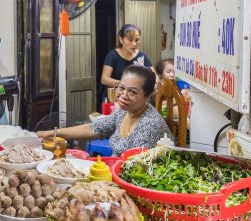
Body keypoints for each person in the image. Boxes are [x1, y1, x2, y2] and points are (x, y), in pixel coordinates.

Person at [38, 66, 172, 156]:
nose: (123, 94)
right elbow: (94, 128)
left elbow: (132, 167)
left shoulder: (150, 125)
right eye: (121, 88)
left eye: (132, 92)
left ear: (147, 96)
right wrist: (50, 134)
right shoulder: (124, 112)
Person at [101, 24, 153, 93]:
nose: (134, 44)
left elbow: (154, 76)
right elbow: (104, 79)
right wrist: (125, 85)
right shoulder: (112, 55)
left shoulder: (141, 56)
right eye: (130, 40)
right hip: (115, 96)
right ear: (121, 39)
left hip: (134, 97)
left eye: (137, 40)